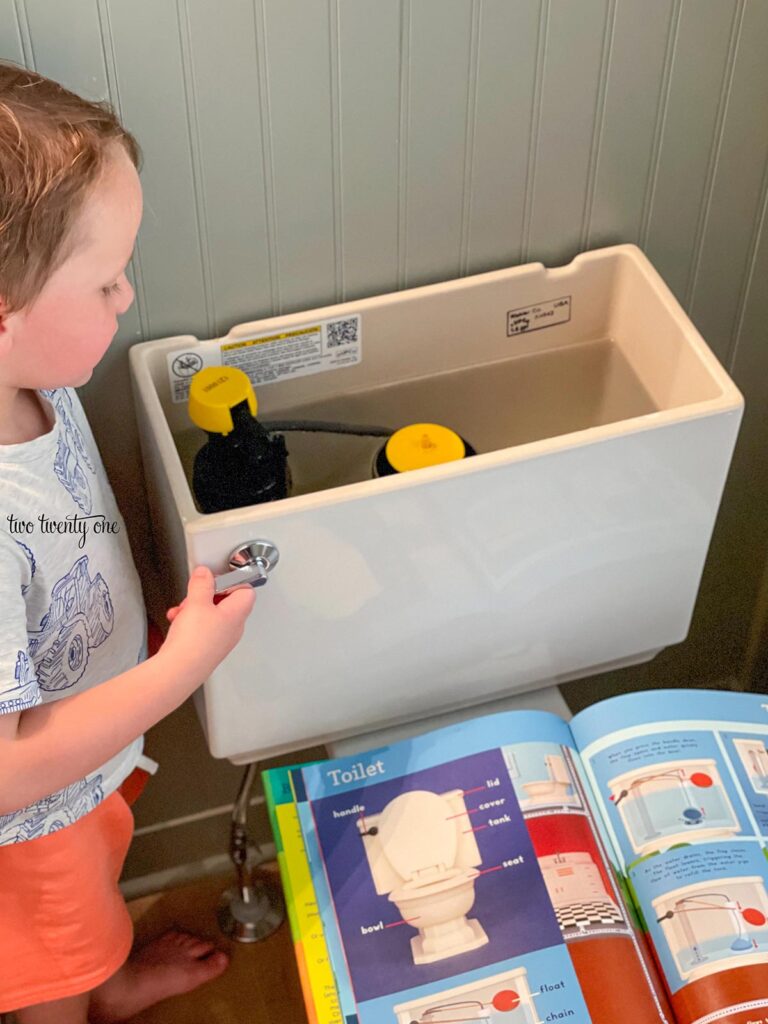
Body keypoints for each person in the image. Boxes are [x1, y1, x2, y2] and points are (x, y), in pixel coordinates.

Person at [0, 62, 256, 1022]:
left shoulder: (37, 383)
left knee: (86, 916)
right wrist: (181, 665)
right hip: (28, 828)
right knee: (47, 973)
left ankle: (104, 979)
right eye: (105, 280)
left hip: (81, 782)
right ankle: (87, 1002)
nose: (127, 293)